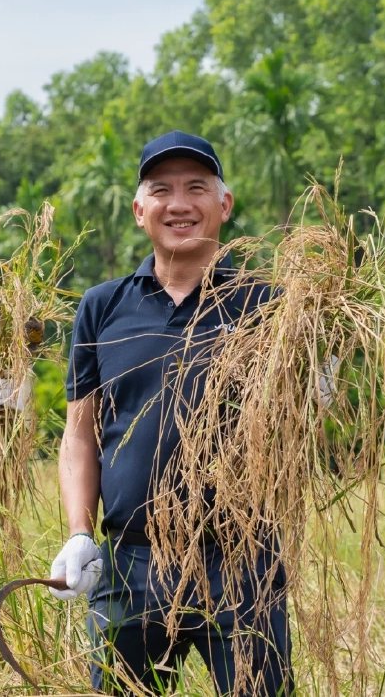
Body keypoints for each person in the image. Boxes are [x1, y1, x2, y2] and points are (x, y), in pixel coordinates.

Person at [51, 131, 291, 696]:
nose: (179, 204)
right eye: (161, 190)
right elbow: (80, 436)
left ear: (224, 205)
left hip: (241, 561)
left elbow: (302, 422)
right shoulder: (102, 307)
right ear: (140, 211)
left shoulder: (269, 304)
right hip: (132, 562)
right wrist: (79, 533)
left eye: (196, 188)